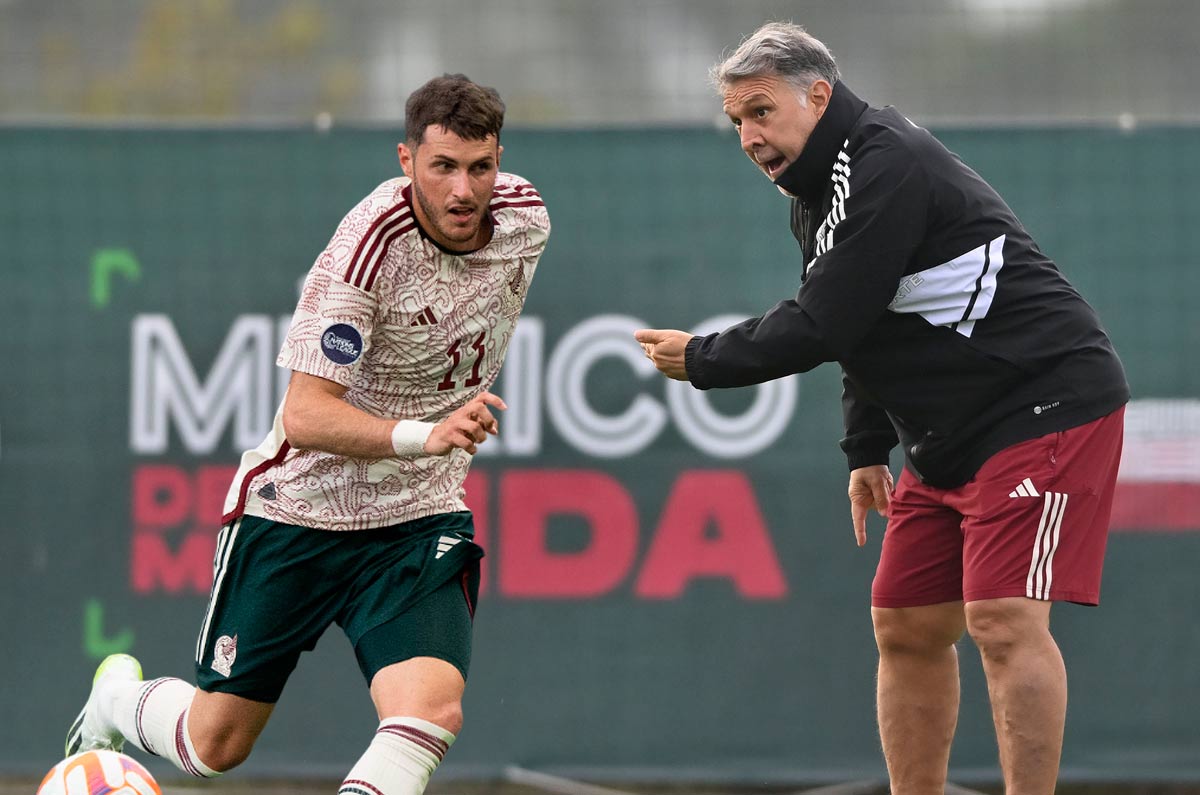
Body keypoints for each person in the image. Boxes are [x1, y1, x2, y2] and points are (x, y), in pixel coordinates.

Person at [635, 22, 1127, 795]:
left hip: (1043, 400)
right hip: (949, 431)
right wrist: (866, 446)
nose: (749, 137)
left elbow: (822, 323)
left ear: (818, 96)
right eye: (736, 121)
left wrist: (702, 358)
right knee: (906, 624)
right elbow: (866, 320)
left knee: (1003, 619)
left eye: (761, 112)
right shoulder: (816, 190)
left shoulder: (884, 162)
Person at [66, 73, 550, 795]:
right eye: (442, 166)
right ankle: (114, 700)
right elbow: (306, 415)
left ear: (499, 160)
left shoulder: (526, 220)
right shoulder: (366, 250)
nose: (462, 190)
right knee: (213, 745)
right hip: (297, 513)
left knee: (428, 714)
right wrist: (425, 434)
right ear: (406, 160)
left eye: (480, 167)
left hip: (417, 518)